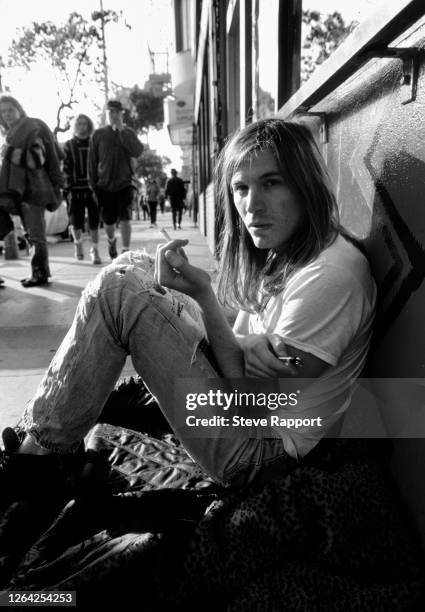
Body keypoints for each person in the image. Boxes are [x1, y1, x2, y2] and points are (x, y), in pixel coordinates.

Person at [1, 119, 376, 495]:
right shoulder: (293, 249)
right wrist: (232, 333)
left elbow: (251, 405)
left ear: (305, 184)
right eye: (241, 188)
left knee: (121, 291)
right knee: (135, 265)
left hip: (258, 454)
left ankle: (38, 459)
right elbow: (246, 346)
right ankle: (37, 439)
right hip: (246, 413)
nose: (252, 205)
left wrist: (204, 299)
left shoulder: (330, 276)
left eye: (271, 183)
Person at [0, 95, 63, 287]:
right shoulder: (12, 133)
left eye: (10, 110)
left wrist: (9, 152)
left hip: (33, 189)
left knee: (36, 234)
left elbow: (37, 158)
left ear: (19, 109)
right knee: (31, 234)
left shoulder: (30, 129)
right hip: (21, 190)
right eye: (3, 112)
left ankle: (40, 273)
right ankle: (38, 271)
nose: (6, 114)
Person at [88, 100, 143, 260]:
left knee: (125, 216)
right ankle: (111, 240)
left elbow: (137, 151)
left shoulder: (128, 132)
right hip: (104, 185)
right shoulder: (98, 134)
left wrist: (122, 131)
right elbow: (92, 161)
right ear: (105, 114)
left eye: (116, 112)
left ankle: (125, 250)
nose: (113, 115)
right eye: (110, 112)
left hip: (125, 183)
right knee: (109, 221)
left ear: (121, 114)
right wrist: (93, 184)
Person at [63, 114, 101, 265]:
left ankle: (95, 250)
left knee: (94, 222)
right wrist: (66, 188)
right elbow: (65, 167)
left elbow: (100, 164)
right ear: (75, 126)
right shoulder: (69, 144)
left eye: (85, 123)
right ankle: (78, 244)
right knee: (75, 222)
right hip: (75, 189)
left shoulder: (94, 143)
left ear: (89, 125)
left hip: (93, 188)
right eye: (79, 124)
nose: (82, 126)